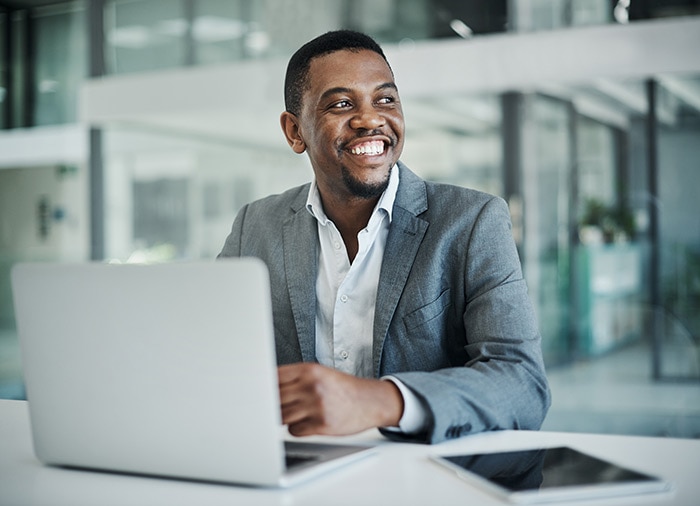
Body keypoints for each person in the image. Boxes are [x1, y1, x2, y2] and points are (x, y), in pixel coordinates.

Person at [218, 30, 550, 444]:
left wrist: (381, 401)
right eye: (341, 104)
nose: (371, 119)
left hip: (425, 478)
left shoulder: (472, 221)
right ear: (294, 131)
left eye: (385, 99)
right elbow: (211, 355)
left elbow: (522, 384)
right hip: (295, 473)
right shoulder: (255, 225)